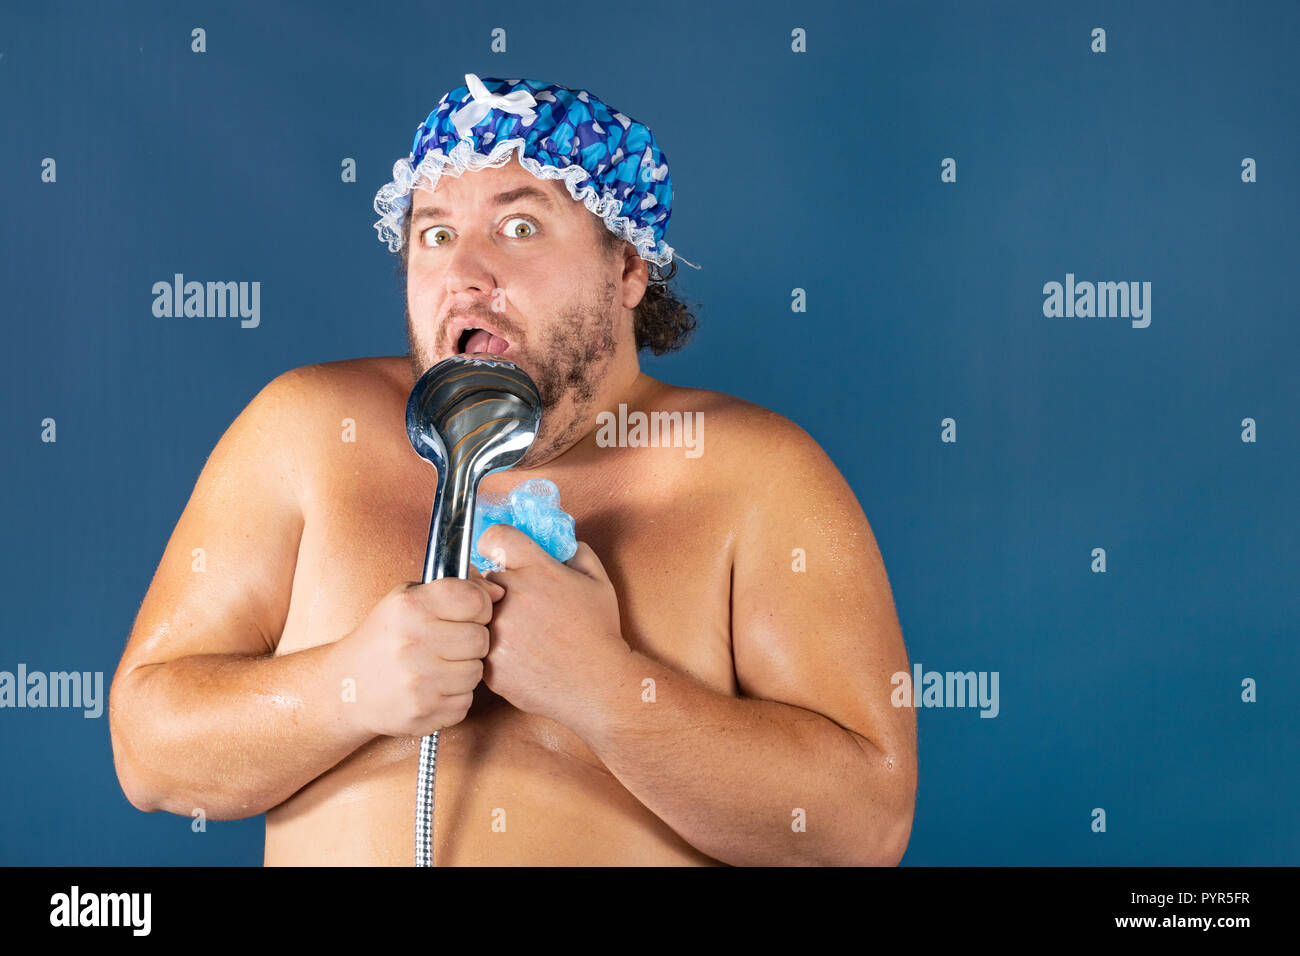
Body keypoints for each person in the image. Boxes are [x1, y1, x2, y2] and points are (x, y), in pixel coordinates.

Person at [108, 73, 917, 866]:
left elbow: (865, 825)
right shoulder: (311, 430)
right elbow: (148, 753)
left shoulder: (757, 475)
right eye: (434, 234)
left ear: (629, 267)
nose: (464, 274)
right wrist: (344, 688)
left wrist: (604, 691)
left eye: (519, 227)